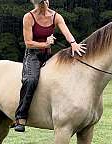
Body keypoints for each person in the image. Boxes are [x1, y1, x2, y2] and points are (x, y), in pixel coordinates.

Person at [14, 0, 86, 132]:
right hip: (32, 55)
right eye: (41, 1)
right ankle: (20, 117)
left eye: (46, 0)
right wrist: (45, 45)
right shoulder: (28, 17)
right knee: (31, 80)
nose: (45, 3)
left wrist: (73, 43)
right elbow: (28, 43)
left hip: (48, 54)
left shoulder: (56, 16)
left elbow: (67, 32)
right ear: (35, 2)